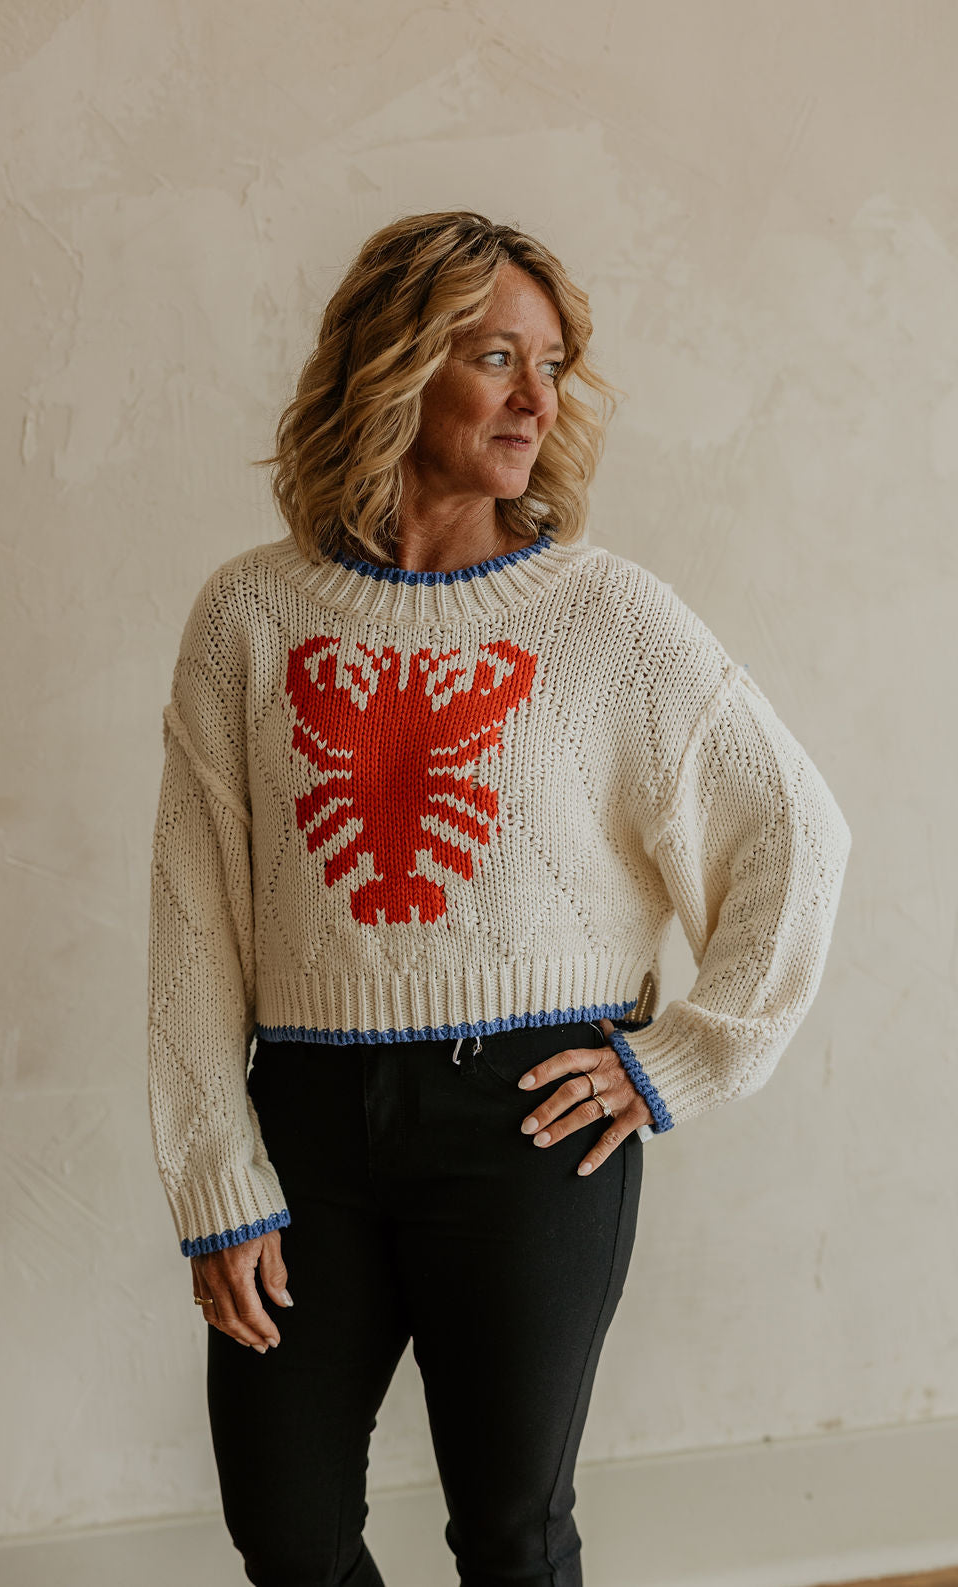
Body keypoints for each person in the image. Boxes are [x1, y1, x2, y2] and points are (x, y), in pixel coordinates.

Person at [147, 210, 851, 1587]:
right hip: (305, 1124)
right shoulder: (248, 617)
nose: (538, 398)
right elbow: (193, 918)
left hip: (532, 1122)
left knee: (511, 1539)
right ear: (396, 367)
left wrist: (682, 1058)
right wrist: (212, 1174)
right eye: (495, 357)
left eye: (553, 364)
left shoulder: (609, 617)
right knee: (286, 1530)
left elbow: (794, 831)